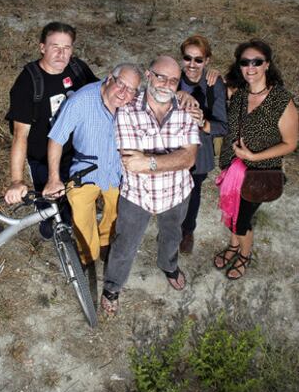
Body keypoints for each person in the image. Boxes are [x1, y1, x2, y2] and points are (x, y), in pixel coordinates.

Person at [101, 56, 200, 316]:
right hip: (137, 195)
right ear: (148, 74)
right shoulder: (127, 107)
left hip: (177, 193)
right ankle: (112, 286)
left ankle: (168, 265)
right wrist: (170, 158)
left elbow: (189, 158)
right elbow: (131, 162)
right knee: (125, 244)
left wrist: (150, 162)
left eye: (173, 80)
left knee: (172, 235)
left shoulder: (186, 109)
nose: (166, 85)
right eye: (160, 77)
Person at [214, 39, 298, 279]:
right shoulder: (238, 92)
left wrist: (253, 155)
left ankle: (244, 254)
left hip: (258, 172)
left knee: (241, 220)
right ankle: (233, 246)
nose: (251, 67)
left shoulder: (282, 101)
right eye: (245, 62)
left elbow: (290, 143)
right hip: (232, 168)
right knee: (231, 212)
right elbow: (210, 87)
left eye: (257, 62)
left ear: (267, 65)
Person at [43, 63, 142, 265]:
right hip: (84, 171)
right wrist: (54, 178)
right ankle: (87, 255)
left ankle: (105, 240)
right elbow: (56, 138)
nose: (124, 93)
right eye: (121, 84)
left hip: (117, 171)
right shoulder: (81, 101)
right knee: (82, 218)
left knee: (116, 210)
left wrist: (187, 97)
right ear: (109, 78)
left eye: (131, 89)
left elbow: (164, 99)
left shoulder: (134, 104)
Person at [4, 22, 97, 237]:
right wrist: (17, 181)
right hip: (42, 158)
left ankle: (72, 226)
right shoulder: (28, 82)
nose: (61, 53)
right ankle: (51, 229)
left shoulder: (78, 69)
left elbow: (101, 95)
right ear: (42, 47)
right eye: (55, 46)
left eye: (67, 47)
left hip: (75, 152)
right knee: (50, 205)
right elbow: (20, 136)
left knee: (75, 201)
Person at [178, 35, 227, 254]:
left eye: (198, 60)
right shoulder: (173, 78)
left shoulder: (213, 84)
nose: (192, 65)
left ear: (207, 61)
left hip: (199, 150)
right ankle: (171, 228)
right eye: (188, 58)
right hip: (172, 146)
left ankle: (188, 230)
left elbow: (222, 126)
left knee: (194, 191)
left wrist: (202, 122)